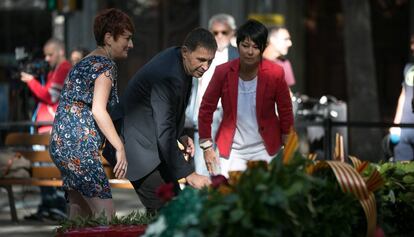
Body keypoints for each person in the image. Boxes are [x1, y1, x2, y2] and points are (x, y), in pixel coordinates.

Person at [103, 28, 216, 213]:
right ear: (186, 51)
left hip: (151, 147)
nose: (205, 66)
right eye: (201, 60)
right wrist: (189, 175)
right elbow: (164, 130)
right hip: (137, 150)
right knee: (170, 213)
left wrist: (180, 135)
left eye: (210, 61)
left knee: (172, 213)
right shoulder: (168, 75)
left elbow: (168, 114)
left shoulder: (179, 59)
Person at [49, 8, 134, 220]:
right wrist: (119, 146)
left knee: (79, 219)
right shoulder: (104, 65)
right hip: (80, 148)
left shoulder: (83, 63)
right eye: (127, 38)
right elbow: (98, 110)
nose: (131, 45)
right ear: (108, 38)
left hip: (61, 145)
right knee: (106, 216)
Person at [198, 19, 294, 177]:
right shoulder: (222, 72)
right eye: (245, 45)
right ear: (238, 44)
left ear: (263, 48)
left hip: (266, 149)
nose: (250, 52)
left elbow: (285, 109)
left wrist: (287, 141)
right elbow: (206, 108)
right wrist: (207, 146)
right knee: (228, 197)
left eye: (256, 47)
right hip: (231, 151)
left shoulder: (275, 72)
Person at [20, 38, 71, 221]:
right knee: (43, 171)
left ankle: (57, 208)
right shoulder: (54, 70)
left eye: (51, 54)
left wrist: (31, 82)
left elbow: (50, 96)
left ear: (61, 51)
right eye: (46, 55)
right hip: (43, 129)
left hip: (51, 130)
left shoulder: (64, 68)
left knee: (51, 171)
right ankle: (47, 207)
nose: (47, 59)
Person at [185, 13, 239, 176]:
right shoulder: (201, 54)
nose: (220, 36)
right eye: (215, 32)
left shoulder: (239, 55)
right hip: (205, 112)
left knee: (226, 162)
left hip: (231, 115)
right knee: (203, 162)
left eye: (224, 32)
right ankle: (205, 193)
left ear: (232, 33)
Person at [389, 34, 414, 162]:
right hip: (405, 127)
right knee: (401, 170)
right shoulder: (408, 68)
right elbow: (403, 95)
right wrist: (396, 123)